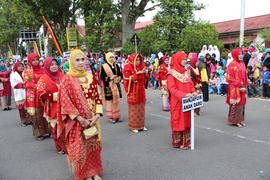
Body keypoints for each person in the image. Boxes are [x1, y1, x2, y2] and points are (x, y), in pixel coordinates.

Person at [58, 49, 103, 180]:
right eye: (77, 60)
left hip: (93, 118)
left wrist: (97, 115)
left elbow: (98, 96)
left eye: (83, 59)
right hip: (77, 121)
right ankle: (85, 174)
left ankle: (94, 172)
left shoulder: (90, 77)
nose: (80, 62)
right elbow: (65, 102)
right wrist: (79, 118)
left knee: (94, 146)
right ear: (72, 62)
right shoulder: (67, 80)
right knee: (80, 147)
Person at [167, 51, 197, 150]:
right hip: (178, 102)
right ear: (178, 60)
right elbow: (172, 89)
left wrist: (193, 92)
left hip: (187, 101)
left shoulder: (186, 72)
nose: (185, 61)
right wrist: (184, 95)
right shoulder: (171, 74)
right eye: (183, 59)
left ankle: (186, 141)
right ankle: (178, 141)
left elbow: (191, 85)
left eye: (185, 59)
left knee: (187, 119)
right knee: (178, 120)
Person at [36, 57, 65, 154]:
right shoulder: (43, 79)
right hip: (53, 106)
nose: (54, 66)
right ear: (47, 66)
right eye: (51, 65)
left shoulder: (62, 75)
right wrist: (54, 96)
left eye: (56, 64)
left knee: (66, 126)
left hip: (66, 105)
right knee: (56, 127)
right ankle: (59, 147)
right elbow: (40, 93)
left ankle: (68, 145)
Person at [24, 53, 50, 140]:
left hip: (43, 94)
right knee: (36, 114)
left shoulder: (43, 70)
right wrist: (38, 86)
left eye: (37, 59)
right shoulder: (28, 71)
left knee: (45, 112)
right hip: (34, 96)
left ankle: (48, 131)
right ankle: (39, 133)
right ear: (30, 61)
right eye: (33, 60)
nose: (35, 62)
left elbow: (47, 79)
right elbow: (27, 83)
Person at [123, 53, 147, 133]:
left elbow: (144, 78)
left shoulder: (141, 67)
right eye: (136, 60)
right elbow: (127, 79)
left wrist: (145, 73)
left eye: (139, 60)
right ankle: (133, 126)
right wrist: (138, 74)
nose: (138, 62)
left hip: (141, 90)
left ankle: (141, 125)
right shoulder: (127, 67)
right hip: (133, 91)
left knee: (141, 108)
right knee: (134, 109)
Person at [226, 49, 248, 128]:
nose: (241, 56)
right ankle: (235, 121)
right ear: (235, 55)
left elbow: (245, 75)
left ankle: (240, 120)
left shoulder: (242, 63)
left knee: (242, 104)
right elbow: (228, 78)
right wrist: (239, 83)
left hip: (242, 87)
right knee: (236, 104)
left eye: (241, 54)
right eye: (239, 54)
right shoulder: (231, 64)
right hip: (234, 88)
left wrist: (245, 84)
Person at [100, 52, 122, 123]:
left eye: (113, 57)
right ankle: (111, 117)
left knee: (116, 100)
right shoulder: (104, 66)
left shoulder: (117, 66)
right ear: (107, 58)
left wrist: (119, 78)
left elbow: (120, 74)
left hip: (116, 85)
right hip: (108, 86)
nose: (112, 59)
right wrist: (110, 78)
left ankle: (117, 116)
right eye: (110, 57)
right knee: (110, 101)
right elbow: (102, 77)